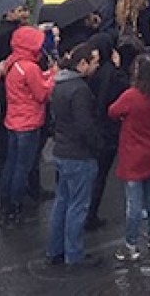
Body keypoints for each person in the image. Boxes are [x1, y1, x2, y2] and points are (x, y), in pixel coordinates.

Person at [45, 43, 103, 269]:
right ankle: (74, 255)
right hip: (79, 155)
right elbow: (85, 125)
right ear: (82, 64)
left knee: (62, 202)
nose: (97, 65)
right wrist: (98, 145)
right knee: (78, 206)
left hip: (61, 150)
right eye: (94, 61)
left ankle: (54, 250)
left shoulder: (59, 85)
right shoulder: (80, 90)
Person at [108, 54, 150, 261]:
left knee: (133, 204)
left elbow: (113, 112)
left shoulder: (131, 96)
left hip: (134, 155)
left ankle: (131, 244)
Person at [0, 25, 54, 227]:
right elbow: (42, 94)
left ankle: (5, 204)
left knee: (11, 166)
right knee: (23, 168)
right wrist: (53, 78)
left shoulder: (13, 63)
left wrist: (47, 75)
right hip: (29, 123)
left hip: (13, 121)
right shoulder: (30, 68)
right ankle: (15, 207)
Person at [84, 33, 127, 232]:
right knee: (100, 176)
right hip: (109, 131)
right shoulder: (113, 74)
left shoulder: (91, 73)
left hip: (93, 128)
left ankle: (86, 212)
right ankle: (90, 214)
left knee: (92, 175)